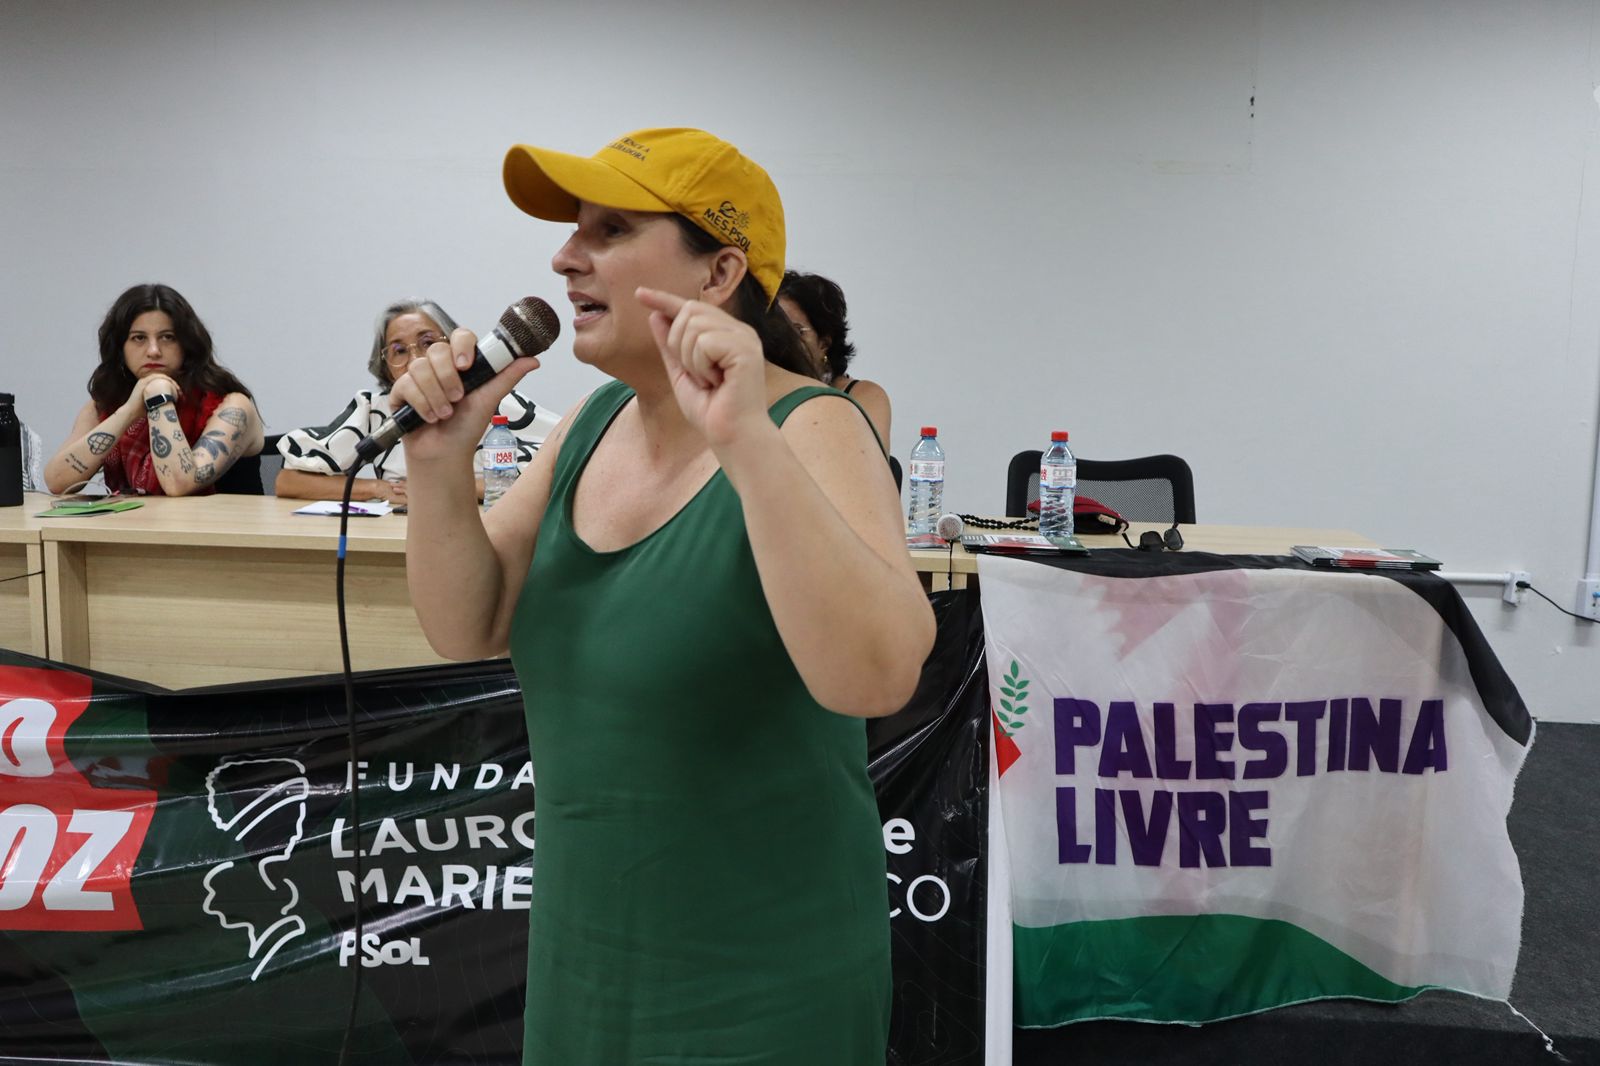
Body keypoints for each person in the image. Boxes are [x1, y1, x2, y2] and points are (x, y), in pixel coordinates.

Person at [394, 127, 935, 1064]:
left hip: (759, 989)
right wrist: (439, 465)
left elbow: (878, 676)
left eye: (609, 231)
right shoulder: (590, 424)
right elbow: (463, 625)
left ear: (720, 273)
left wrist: (746, 441)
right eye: (575, 229)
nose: (566, 257)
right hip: (586, 966)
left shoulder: (815, 427)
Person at [273, 299, 560, 503]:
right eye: (399, 351)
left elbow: (561, 472)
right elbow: (288, 480)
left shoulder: (496, 403)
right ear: (386, 368)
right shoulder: (374, 409)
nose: (416, 360)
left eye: (428, 343)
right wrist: (378, 488)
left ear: (452, 347)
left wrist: (439, 488)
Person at [45, 284, 263, 496]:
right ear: (120, 349)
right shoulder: (106, 405)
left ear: (187, 345)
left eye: (167, 337)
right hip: (137, 521)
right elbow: (57, 482)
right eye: (139, 338)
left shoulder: (232, 407)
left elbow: (178, 485)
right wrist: (129, 411)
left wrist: (159, 396)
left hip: (219, 521)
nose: (153, 351)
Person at [777, 270, 892, 453]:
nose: (781, 340)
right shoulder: (757, 392)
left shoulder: (864, 395)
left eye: (796, 331)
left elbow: (864, 464)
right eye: (775, 329)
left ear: (824, 342)